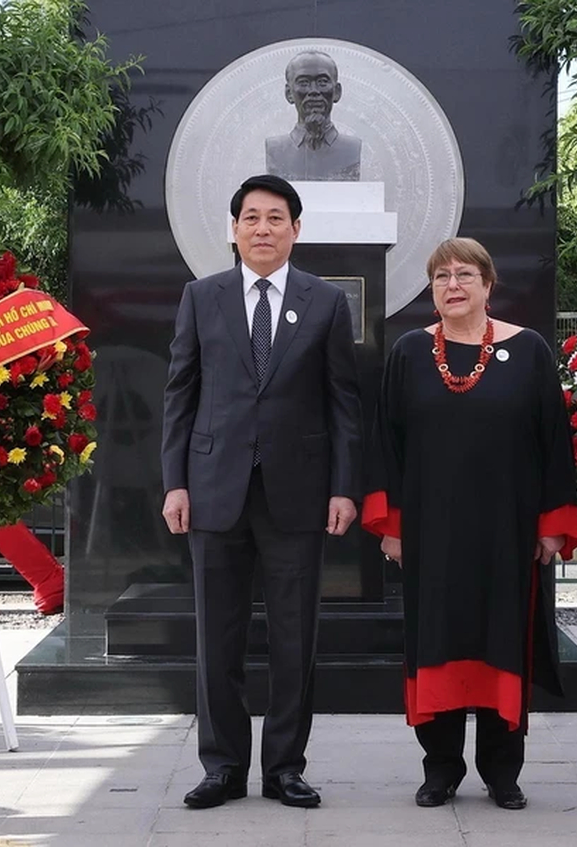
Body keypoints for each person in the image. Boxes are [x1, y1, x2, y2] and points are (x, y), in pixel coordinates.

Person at [161, 174, 362, 810]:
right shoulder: (202, 297)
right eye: (251, 218)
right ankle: (221, 766)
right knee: (216, 637)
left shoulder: (326, 303)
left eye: (276, 218)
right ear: (235, 229)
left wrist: (344, 489)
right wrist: (175, 483)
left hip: (298, 496)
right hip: (214, 491)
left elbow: (343, 405)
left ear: (296, 230)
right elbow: (180, 396)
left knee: (293, 638)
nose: (263, 229)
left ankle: (285, 768)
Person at [362, 237, 577, 810]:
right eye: (441, 277)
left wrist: (552, 523)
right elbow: (387, 443)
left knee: (501, 636)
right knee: (436, 638)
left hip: (506, 532)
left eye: (464, 275)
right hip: (432, 533)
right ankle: (440, 768)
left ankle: (502, 771)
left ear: (488, 283)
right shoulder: (410, 353)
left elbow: (553, 443)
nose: (452, 286)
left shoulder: (530, 350)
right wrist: (391, 524)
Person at [265, 51, 362, 181]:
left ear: (337, 92)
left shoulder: (352, 148)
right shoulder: (275, 149)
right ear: (289, 93)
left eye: (322, 82)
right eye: (304, 83)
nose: (314, 91)